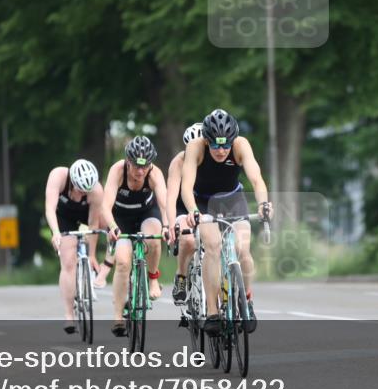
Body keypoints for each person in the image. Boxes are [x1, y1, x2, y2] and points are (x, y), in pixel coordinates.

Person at [182, 109, 270, 335]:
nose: (221, 151)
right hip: (203, 202)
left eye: (225, 145)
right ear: (206, 140)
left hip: (233, 199)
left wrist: (263, 204)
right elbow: (186, 186)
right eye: (215, 146)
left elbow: (257, 179)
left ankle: (247, 300)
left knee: (243, 249)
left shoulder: (241, 145)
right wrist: (192, 211)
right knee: (212, 246)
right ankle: (212, 312)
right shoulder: (196, 148)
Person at [102, 136, 172, 337]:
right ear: (128, 161)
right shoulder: (117, 171)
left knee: (153, 238)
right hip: (121, 217)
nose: (140, 172)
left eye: (145, 167)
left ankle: (152, 279)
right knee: (123, 262)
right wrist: (113, 227)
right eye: (136, 167)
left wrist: (167, 226)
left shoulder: (154, 174)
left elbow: (165, 204)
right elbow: (105, 206)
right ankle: (118, 317)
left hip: (146, 213)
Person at [44, 159, 107, 335]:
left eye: (85, 191)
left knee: (105, 221)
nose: (81, 194)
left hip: (85, 215)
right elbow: (49, 209)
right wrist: (56, 233)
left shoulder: (95, 191)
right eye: (79, 189)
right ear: (72, 181)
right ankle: (69, 314)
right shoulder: (58, 176)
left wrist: (93, 254)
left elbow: (94, 223)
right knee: (69, 260)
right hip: (62, 217)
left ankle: (96, 264)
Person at [165, 123, 203, 308]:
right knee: (188, 241)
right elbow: (171, 198)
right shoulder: (178, 162)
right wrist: (171, 224)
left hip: (206, 205)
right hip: (183, 207)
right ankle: (181, 275)